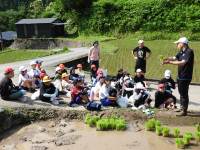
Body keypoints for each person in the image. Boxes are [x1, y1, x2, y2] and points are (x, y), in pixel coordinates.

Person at [163, 37, 194, 116]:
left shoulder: (189, 52)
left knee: (184, 93)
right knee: (181, 92)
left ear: (182, 43)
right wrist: (165, 59)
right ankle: (181, 107)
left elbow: (183, 63)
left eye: (178, 43)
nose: (177, 45)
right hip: (180, 76)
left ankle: (184, 111)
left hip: (185, 76)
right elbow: (173, 58)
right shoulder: (181, 52)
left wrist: (169, 63)